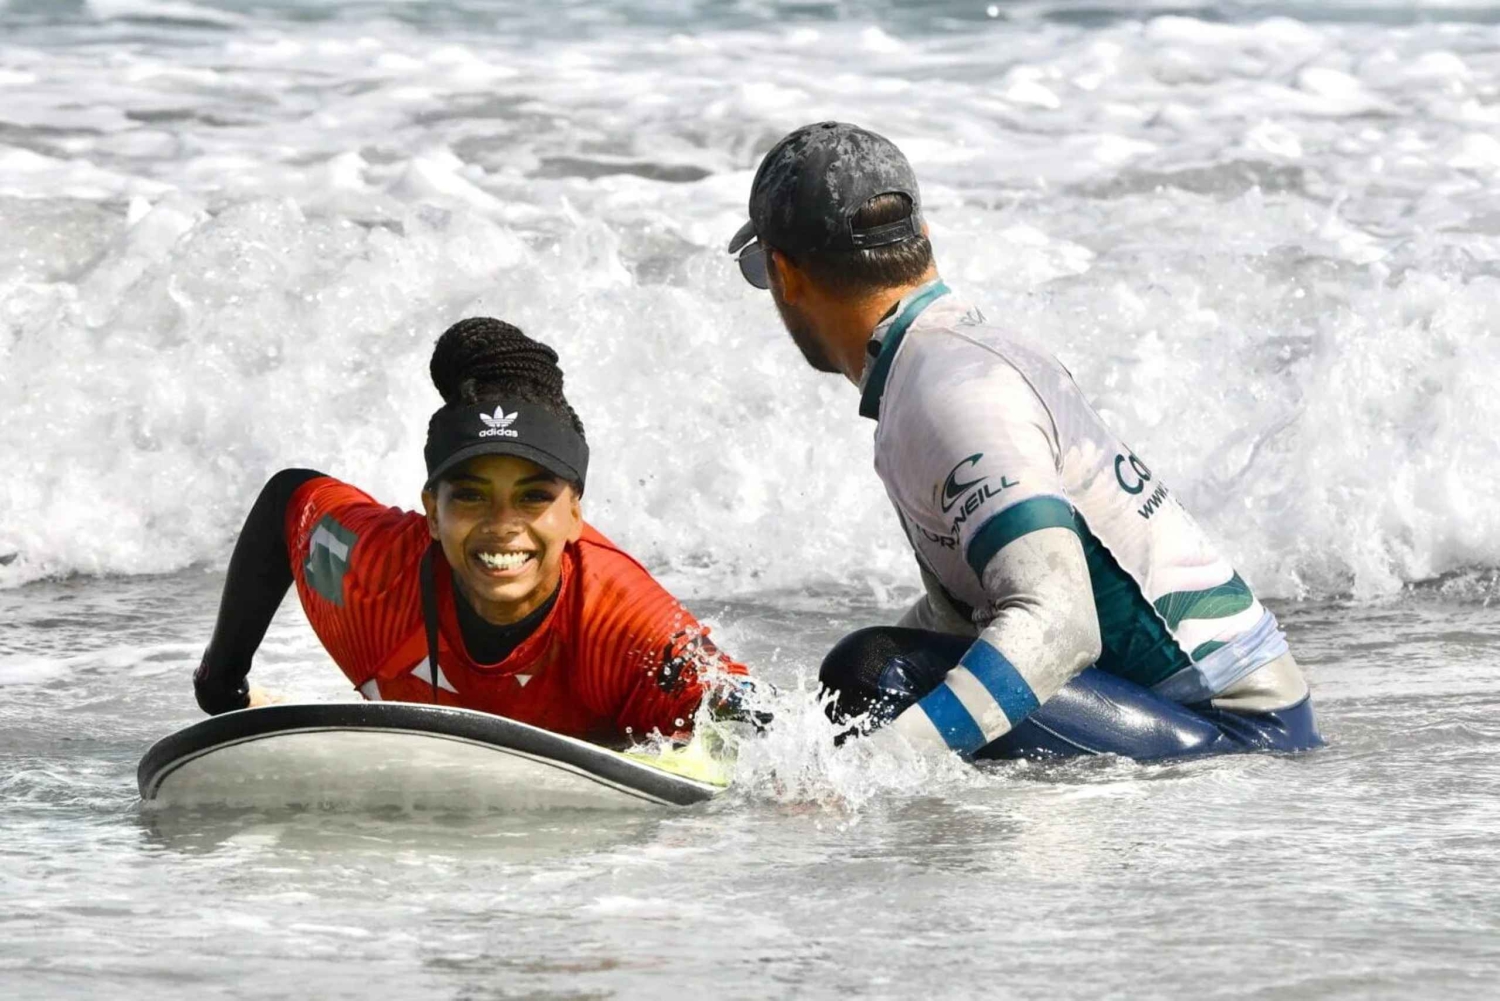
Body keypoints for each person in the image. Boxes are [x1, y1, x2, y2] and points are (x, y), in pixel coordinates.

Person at [726, 122, 1320, 761]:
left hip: (1238, 738)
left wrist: (863, 767)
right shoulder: (942, 362)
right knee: (879, 675)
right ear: (923, 242)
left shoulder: (950, 390)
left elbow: (1058, 627)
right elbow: (969, 621)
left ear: (785, 274)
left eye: (761, 270)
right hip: (1219, 715)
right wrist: (807, 731)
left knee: (869, 668)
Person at [193, 317, 750, 747]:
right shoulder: (375, 574)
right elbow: (287, 500)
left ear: (575, 513)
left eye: (534, 496)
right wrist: (223, 686)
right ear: (432, 512)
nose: (502, 526)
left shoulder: (623, 624)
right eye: (471, 495)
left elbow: (746, 717)